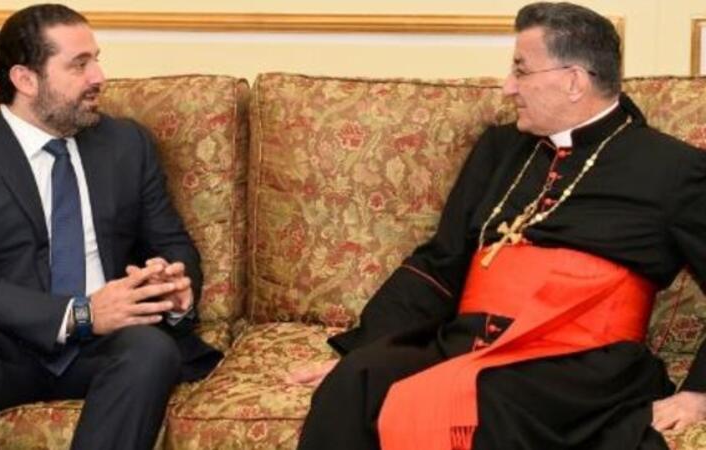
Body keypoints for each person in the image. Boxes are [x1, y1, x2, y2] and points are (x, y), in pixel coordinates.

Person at [292, 2, 706, 449]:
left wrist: (699, 393)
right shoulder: (500, 148)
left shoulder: (674, 169)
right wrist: (365, 348)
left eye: (521, 70)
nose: (508, 87)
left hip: (580, 365)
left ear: (573, 81)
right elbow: (442, 261)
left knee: (478, 402)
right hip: (471, 343)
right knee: (357, 381)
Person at [0, 4, 221, 450]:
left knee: (152, 351)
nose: (99, 77)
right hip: (3, 344)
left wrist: (173, 288)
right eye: (79, 64)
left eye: (96, 60)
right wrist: (82, 313)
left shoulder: (126, 144)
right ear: (25, 79)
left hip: (104, 346)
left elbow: (171, 242)